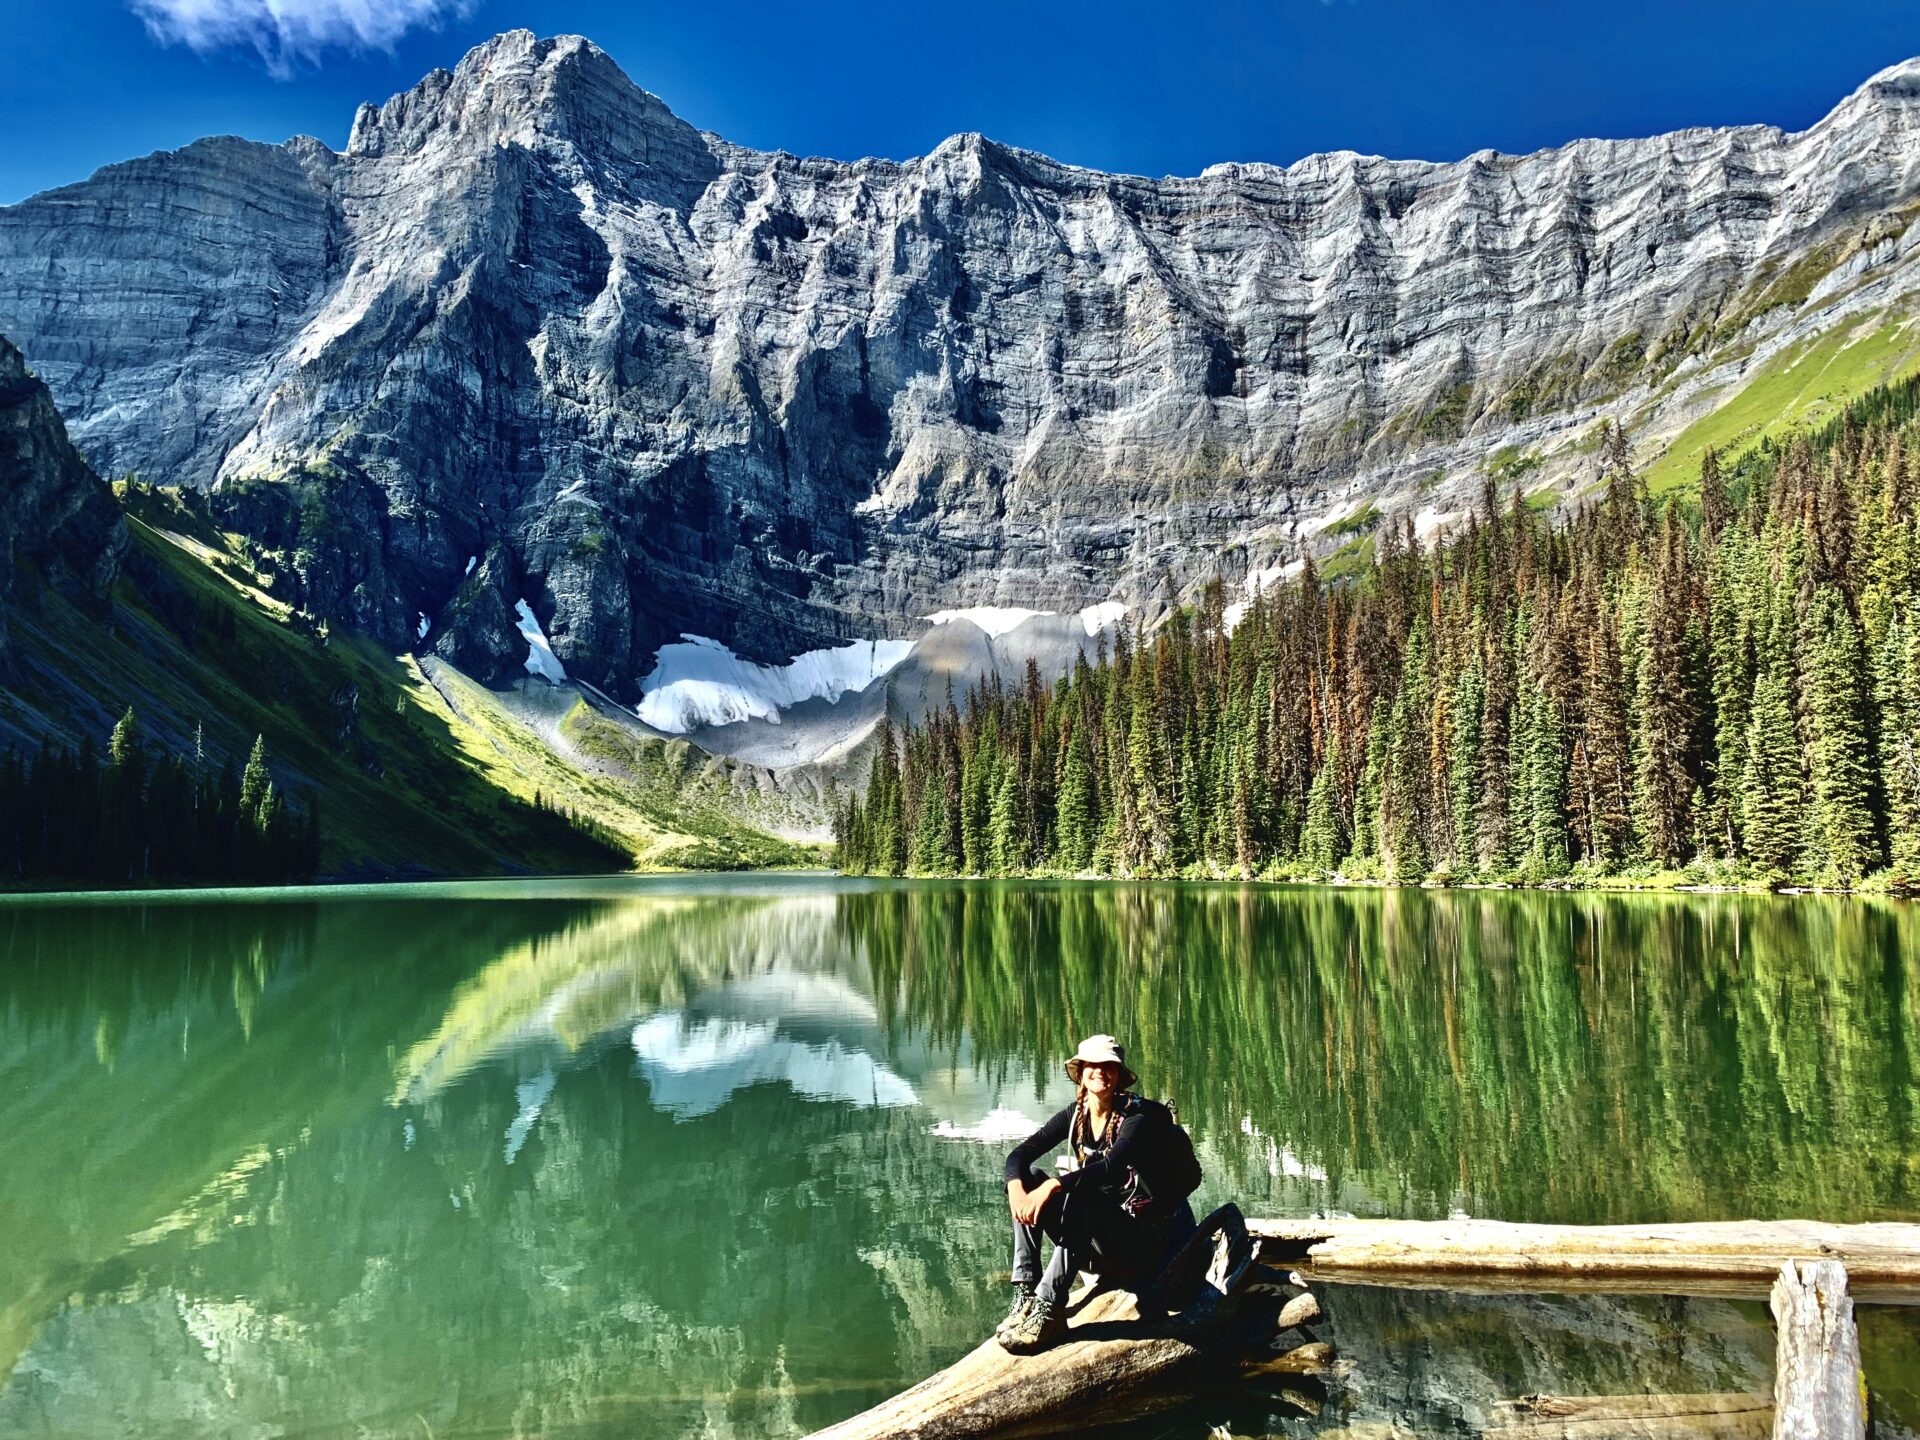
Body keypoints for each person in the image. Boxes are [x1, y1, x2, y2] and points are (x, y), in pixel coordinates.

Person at [997, 1034, 1199, 1354]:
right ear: (1080, 1072)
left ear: (1119, 1075)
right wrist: (1015, 1189)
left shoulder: (1136, 1118)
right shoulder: (1076, 1115)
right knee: (1029, 1177)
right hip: (1096, 1244)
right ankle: (1026, 1292)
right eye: (1092, 1065)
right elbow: (1019, 1155)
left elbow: (1111, 1168)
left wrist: (1054, 1185)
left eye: (1109, 1066)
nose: (1100, 1072)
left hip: (1141, 1249)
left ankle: (1049, 1309)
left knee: (1082, 1194)